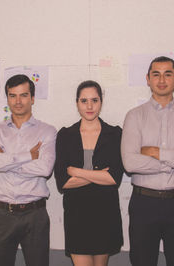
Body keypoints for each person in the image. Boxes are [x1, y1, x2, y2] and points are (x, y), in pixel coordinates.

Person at [121, 56, 174, 266]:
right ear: (147, 79)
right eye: (156, 74)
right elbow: (130, 163)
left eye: (168, 74)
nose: (161, 80)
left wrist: (156, 153)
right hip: (144, 204)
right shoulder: (134, 116)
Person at [0, 74, 56, 266]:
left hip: (35, 214)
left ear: (32, 98)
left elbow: (45, 168)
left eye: (23, 95)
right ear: (7, 98)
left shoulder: (47, 131)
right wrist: (28, 156)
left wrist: (5, 158)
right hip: (2, 214)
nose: (18, 101)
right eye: (12, 95)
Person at [54, 80, 124, 266]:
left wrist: (77, 171)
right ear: (77, 103)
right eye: (84, 101)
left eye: (94, 100)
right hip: (77, 215)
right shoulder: (65, 135)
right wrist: (98, 175)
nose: (90, 106)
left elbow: (114, 178)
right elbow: (63, 182)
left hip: (105, 214)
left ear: (101, 102)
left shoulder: (115, 134)